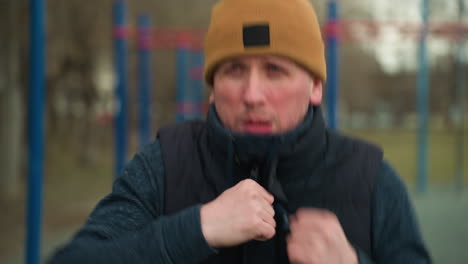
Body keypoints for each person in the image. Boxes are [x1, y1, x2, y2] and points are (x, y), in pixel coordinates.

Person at [49, 0, 431, 263]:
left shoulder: (371, 179)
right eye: (234, 71)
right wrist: (197, 229)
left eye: (274, 71)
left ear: (316, 86)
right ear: (213, 86)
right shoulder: (165, 163)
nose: (252, 95)